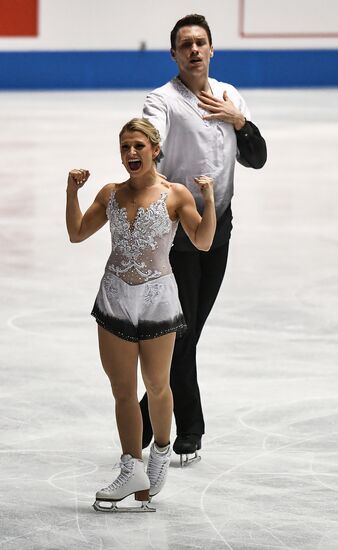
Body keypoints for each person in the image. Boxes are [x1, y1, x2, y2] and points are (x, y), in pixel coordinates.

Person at [65, 118, 216, 511]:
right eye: (124, 148)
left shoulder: (175, 194)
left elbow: (202, 241)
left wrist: (210, 200)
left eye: (138, 146)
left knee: (157, 384)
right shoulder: (110, 194)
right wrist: (71, 192)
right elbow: (77, 233)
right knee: (122, 391)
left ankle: (161, 450)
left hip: (156, 299)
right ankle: (131, 464)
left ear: (154, 149)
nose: (131, 154)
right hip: (115, 297)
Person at [140, 14, 267, 464]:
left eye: (200, 43)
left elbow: (257, 158)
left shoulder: (231, 95)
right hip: (177, 232)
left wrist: (238, 120)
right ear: (174, 54)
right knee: (183, 333)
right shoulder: (162, 100)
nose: (194, 50)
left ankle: (143, 416)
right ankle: (189, 429)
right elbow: (148, 143)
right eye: (184, 44)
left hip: (220, 226)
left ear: (211, 50)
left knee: (186, 334)